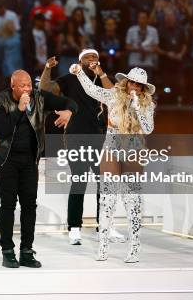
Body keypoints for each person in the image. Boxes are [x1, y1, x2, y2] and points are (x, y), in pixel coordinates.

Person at [0, 70, 78, 268]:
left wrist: (69, 111)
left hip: (30, 160)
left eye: (29, 85)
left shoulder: (39, 97)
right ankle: (7, 251)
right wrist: (19, 109)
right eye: (22, 86)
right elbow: (1, 131)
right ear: (13, 86)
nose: (28, 89)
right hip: (6, 159)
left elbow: (70, 102)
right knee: (8, 205)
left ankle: (26, 250)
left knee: (30, 205)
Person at [69, 63, 156, 263]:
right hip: (112, 148)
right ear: (126, 82)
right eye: (131, 82)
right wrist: (80, 72)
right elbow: (92, 90)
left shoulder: (146, 104)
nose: (134, 86)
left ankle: (134, 246)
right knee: (107, 199)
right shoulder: (113, 96)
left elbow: (149, 128)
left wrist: (137, 108)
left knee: (131, 200)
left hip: (133, 149)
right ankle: (103, 245)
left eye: (139, 84)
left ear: (143, 88)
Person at [39, 49, 126, 246]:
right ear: (80, 61)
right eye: (88, 57)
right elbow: (45, 88)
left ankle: (104, 226)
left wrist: (101, 74)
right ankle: (75, 228)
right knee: (79, 182)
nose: (92, 60)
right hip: (76, 137)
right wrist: (47, 68)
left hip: (101, 137)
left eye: (95, 57)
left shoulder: (104, 78)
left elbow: (113, 96)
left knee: (104, 184)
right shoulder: (69, 79)